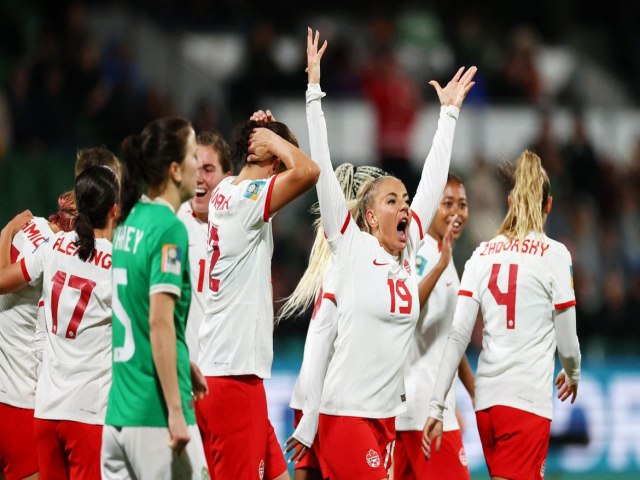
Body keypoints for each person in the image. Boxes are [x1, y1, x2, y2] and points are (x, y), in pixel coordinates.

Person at [305, 28, 476, 479]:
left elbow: (434, 182)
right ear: (367, 217)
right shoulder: (350, 246)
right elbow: (320, 164)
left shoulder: (408, 251)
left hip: (386, 418)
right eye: (392, 201)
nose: (405, 207)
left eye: (405, 200)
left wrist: (449, 115)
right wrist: (313, 91)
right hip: (344, 414)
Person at [423, 151, 582, 480]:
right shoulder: (554, 254)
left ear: (510, 200)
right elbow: (567, 342)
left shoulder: (482, 254)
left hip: (487, 405)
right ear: (548, 205)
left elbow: (458, 336)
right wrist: (573, 372)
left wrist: (437, 405)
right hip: (525, 402)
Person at [196, 102, 320, 479]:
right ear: (274, 167)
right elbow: (309, 171)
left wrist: (260, 133)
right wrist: (270, 139)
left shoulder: (226, 192)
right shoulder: (246, 200)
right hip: (233, 378)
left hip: (230, 374)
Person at [0, 148, 119, 480]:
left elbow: (1, 282)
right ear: (115, 209)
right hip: (86, 413)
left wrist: (6, 231)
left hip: (46, 410)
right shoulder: (118, 264)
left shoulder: (49, 247)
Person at [102, 117, 209, 480]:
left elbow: (137, 307)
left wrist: (180, 360)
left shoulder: (130, 221)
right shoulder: (169, 229)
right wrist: (176, 412)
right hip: (155, 415)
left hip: (117, 416)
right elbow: (159, 321)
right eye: (195, 155)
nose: (199, 164)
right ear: (176, 170)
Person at [280, 163, 389, 480]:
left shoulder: (339, 260)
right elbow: (320, 339)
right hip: (335, 401)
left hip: (314, 394)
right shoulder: (353, 267)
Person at [394, 173, 474, 479]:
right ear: (430, 207)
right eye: (448, 203)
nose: (457, 212)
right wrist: (440, 265)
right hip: (425, 408)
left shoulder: (444, 252)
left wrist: (473, 391)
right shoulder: (425, 252)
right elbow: (407, 306)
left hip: (418, 410)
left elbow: (448, 340)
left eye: (462, 204)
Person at [176, 130, 232, 473]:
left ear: (228, 177)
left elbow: (293, 176)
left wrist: (272, 137)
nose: (199, 176)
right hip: (186, 386)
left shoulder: (244, 219)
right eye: (194, 165)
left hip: (228, 385)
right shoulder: (170, 222)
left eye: (208, 168)